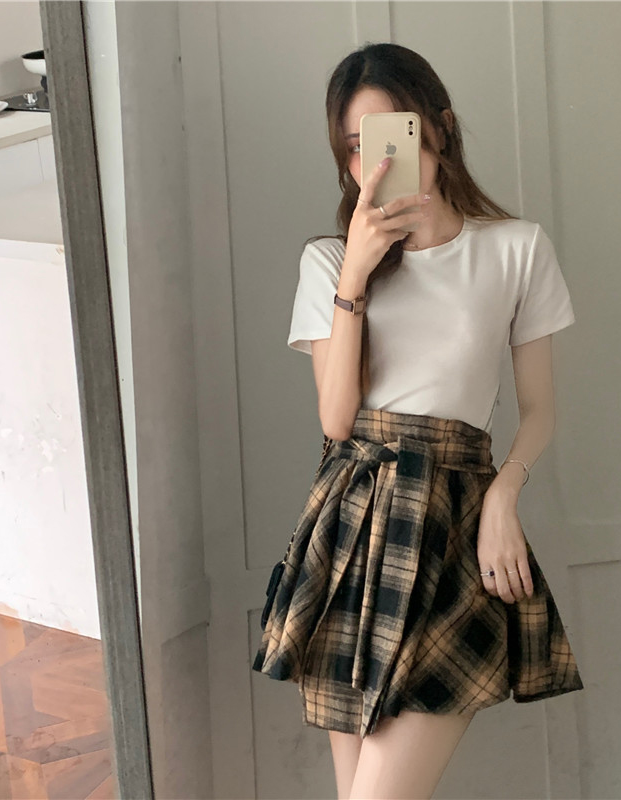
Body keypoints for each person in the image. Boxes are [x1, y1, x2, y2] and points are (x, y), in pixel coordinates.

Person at [252, 42, 584, 799]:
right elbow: (337, 420)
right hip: (351, 527)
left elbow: (540, 409)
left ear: (440, 127)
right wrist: (357, 272)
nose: (372, 165)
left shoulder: (516, 249)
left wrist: (503, 496)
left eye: (389, 138)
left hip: (454, 522)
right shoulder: (328, 262)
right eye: (353, 147)